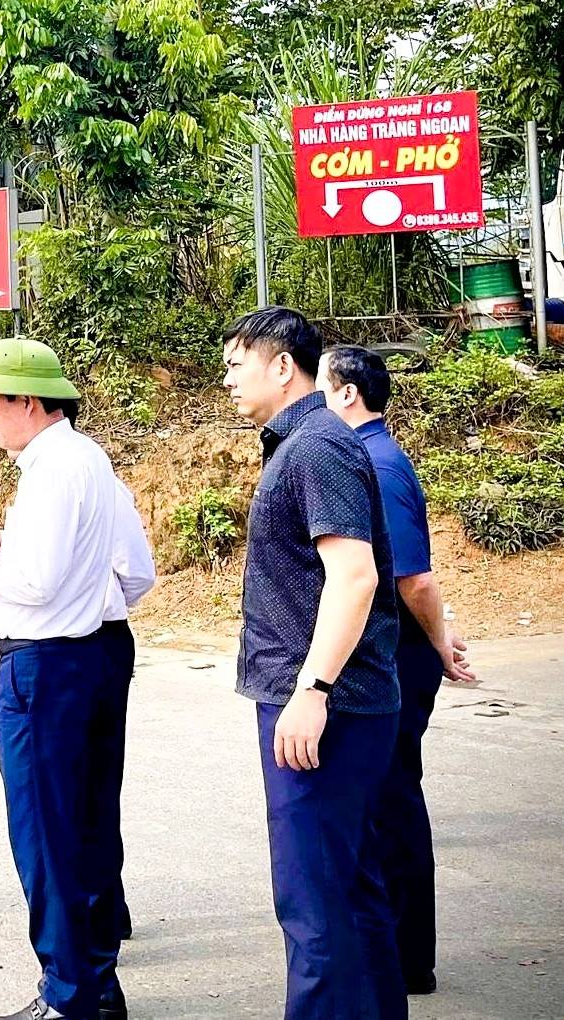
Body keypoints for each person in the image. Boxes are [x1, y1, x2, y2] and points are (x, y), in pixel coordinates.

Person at [0, 338, 155, 1020]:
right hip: (98, 655)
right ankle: (96, 984)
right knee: (86, 823)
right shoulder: (90, 461)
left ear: (27, 401)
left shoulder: (48, 473)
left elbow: (34, 581)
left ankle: (70, 997)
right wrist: (4, 541)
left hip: (44, 667)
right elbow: (133, 572)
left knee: (46, 835)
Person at [221, 308, 406, 1020]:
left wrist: (312, 690)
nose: (228, 378)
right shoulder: (305, 443)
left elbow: (354, 576)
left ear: (281, 365)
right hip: (334, 702)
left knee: (314, 900)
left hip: (327, 708)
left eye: (238, 363)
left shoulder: (315, 447)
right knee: (350, 890)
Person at [318, 345, 477, 996]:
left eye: (320, 386)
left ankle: (408, 958)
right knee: (382, 798)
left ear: (348, 394)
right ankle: (393, 947)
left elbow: (414, 579)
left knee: (390, 800)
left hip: (397, 655)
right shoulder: (372, 456)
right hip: (393, 648)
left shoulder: (375, 465)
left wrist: (441, 641)